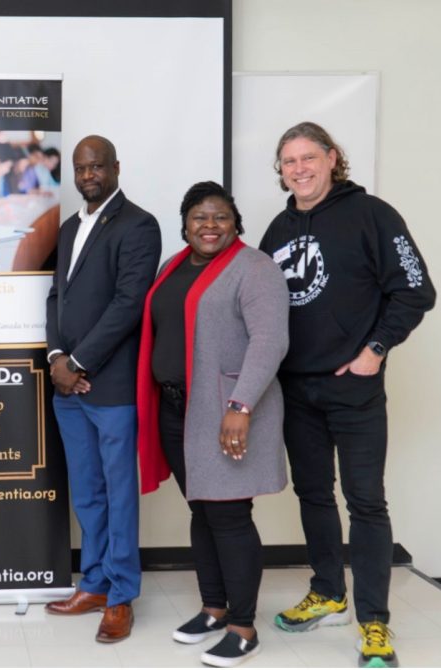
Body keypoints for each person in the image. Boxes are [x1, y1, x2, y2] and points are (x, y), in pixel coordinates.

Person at [260, 122, 436, 668]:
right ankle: (328, 591)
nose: (299, 169)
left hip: (354, 389)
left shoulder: (373, 215)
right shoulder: (276, 230)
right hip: (296, 390)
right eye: (288, 162)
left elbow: (416, 289)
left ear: (333, 158)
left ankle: (374, 624)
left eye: (308, 157)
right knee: (313, 496)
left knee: (365, 503)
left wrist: (375, 350)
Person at [136, 182, 289, 667]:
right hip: (179, 411)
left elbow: (269, 341)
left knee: (229, 516)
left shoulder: (255, 269)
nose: (209, 225)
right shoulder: (173, 266)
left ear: (235, 223)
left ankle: (243, 627)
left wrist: (240, 407)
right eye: (199, 217)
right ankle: (214, 608)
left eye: (220, 217)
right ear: (185, 222)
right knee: (202, 511)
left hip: (227, 411)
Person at [43, 135, 161, 643]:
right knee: (88, 494)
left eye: (97, 166)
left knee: (117, 495)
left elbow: (128, 305)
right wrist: (54, 358)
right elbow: (56, 297)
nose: (88, 174)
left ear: (115, 167)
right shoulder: (70, 227)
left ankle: (120, 595)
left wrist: (79, 361)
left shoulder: (138, 224)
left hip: (109, 386)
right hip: (69, 388)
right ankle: (93, 582)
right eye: (81, 167)